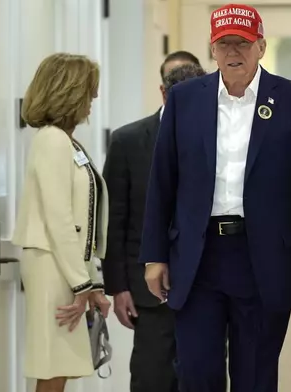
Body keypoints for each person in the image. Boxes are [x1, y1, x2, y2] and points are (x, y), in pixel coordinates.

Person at [138, 4, 291, 392]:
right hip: (198, 257)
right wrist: (154, 255)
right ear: (212, 50)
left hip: (263, 258)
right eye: (223, 44)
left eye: (242, 43)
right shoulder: (184, 99)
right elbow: (162, 183)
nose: (232, 52)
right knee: (197, 375)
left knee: (256, 377)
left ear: (260, 46)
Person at [102, 60, 204, 392]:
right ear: (164, 94)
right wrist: (117, 287)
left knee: (202, 378)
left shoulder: (219, 139)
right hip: (147, 291)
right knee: (152, 379)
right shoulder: (128, 141)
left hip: (206, 286)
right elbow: (114, 220)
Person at [12, 53, 111, 392]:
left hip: (63, 265)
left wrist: (91, 282)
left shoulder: (65, 141)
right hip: (51, 264)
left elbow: (80, 221)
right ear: (69, 92)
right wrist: (83, 285)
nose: (94, 99)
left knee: (61, 364)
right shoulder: (52, 140)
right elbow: (59, 217)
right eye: (90, 90)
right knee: (54, 364)